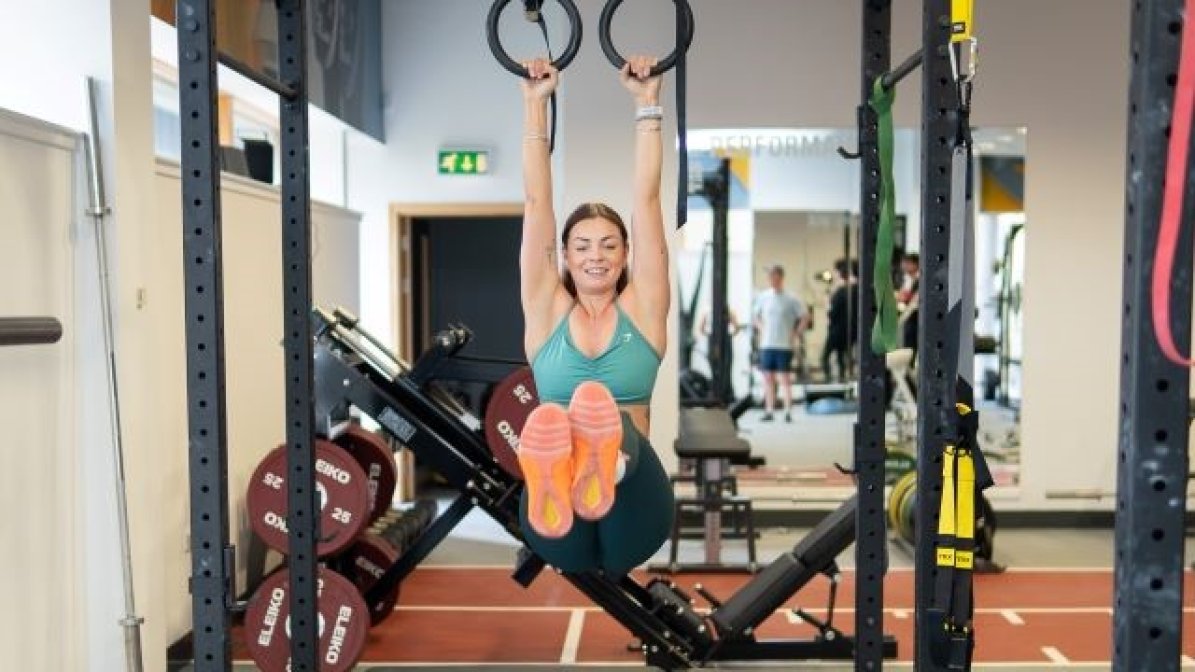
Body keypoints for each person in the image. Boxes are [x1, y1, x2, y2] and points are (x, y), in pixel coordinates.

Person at [514, 56, 674, 576]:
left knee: (598, 416)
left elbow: (646, 198)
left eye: (609, 245)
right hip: (558, 528)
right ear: (564, 256)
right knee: (566, 419)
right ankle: (563, 465)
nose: (596, 255)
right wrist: (534, 104)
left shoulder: (644, 307)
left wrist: (647, 103)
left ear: (627, 254)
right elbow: (538, 202)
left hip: (636, 516)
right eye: (581, 246)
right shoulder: (545, 311)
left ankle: (610, 457)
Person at [751, 265, 809, 422]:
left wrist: (796, 333)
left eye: (775, 277)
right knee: (768, 379)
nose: (773, 280)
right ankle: (769, 410)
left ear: (781, 278)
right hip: (767, 344)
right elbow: (755, 316)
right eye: (770, 277)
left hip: (784, 345)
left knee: (784, 379)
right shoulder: (764, 297)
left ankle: (788, 410)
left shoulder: (791, 298)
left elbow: (804, 316)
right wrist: (761, 327)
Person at [822, 259, 859, 383]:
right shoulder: (857, 289)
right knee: (841, 355)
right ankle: (843, 379)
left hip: (837, 329)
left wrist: (828, 302)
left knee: (825, 356)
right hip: (851, 329)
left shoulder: (841, 291)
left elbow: (832, 312)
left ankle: (828, 380)